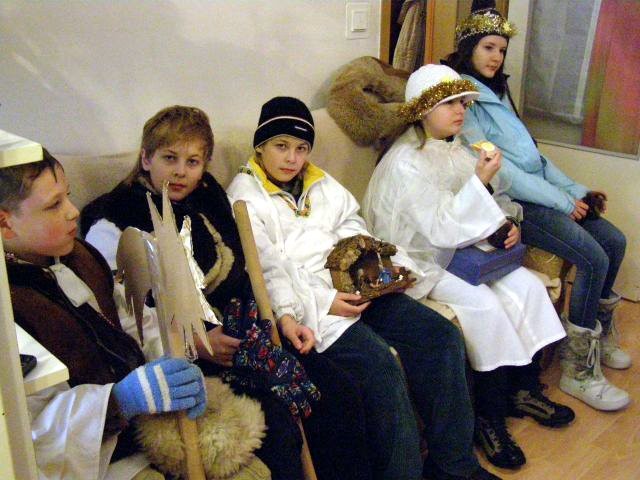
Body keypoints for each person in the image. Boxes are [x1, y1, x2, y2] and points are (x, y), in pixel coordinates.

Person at [81, 105, 372, 480]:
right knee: (280, 426)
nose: (181, 171)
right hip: (191, 354)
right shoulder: (114, 219)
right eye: (169, 158)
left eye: (192, 161)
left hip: (248, 332)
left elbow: (256, 268)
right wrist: (196, 343)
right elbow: (124, 316)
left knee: (341, 392)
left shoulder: (207, 196)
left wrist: (282, 318)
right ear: (146, 158)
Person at [227, 95, 500, 480]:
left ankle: (454, 467)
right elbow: (268, 271)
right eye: (281, 146)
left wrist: (367, 268)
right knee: (380, 366)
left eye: (301, 148)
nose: (292, 158)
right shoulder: (244, 196)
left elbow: (352, 224)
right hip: (316, 308)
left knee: (440, 337)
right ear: (260, 146)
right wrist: (324, 301)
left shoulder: (319, 181)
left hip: (358, 288)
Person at [363, 64, 577, 470]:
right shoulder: (406, 162)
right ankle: (487, 418)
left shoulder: (455, 146)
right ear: (423, 109)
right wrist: (479, 185)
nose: (460, 110)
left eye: (463, 102)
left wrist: (504, 225)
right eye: (449, 103)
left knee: (526, 287)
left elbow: (481, 206)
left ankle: (523, 388)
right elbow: (438, 227)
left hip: (460, 249)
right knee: (486, 306)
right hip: (419, 260)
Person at [445, 0, 630, 412]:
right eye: (488, 47)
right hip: (515, 204)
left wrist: (577, 191)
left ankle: (598, 333)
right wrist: (562, 201)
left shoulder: (497, 91)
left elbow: (534, 158)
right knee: (594, 256)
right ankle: (577, 368)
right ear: (470, 48)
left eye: (501, 50)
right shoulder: (465, 100)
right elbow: (503, 170)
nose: (496, 57)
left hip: (542, 193)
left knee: (614, 240)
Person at [0, 149, 207, 479]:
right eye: (54, 205)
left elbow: (127, 319)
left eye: (67, 196)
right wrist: (120, 400)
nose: (72, 211)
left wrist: (170, 361)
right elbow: (32, 432)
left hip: (145, 421)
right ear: (5, 223)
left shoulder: (79, 256)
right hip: (98, 456)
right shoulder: (9, 306)